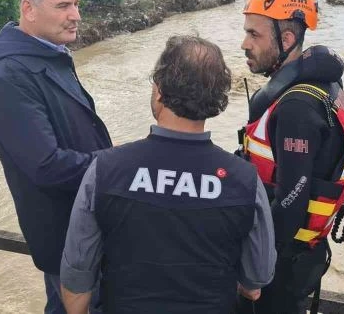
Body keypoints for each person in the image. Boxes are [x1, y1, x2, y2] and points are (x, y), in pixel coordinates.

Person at [60, 35, 276, 314]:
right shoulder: (244, 180)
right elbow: (255, 282)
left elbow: (77, 282)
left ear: (159, 88)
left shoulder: (106, 169)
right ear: (216, 97)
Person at [0, 0, 112, 314]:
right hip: (64, 233)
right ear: (28, 9)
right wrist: (116, 164)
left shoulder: (48, 54)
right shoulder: (10, 76)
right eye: (63, 6)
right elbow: (45, 165)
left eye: (77, 5)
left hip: (83, 225)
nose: (76, 16)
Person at [235, 0, 344, 314]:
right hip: (303, 255)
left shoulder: (297, 108)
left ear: (287, 39)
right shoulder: (326, 85)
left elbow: (291, 204)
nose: (244, 44)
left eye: (254, 35)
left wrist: (251, 269)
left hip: (280, 264)